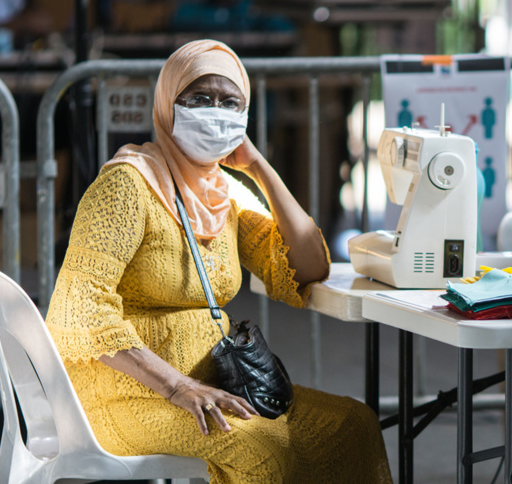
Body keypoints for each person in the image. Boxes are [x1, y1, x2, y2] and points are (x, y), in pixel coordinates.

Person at [45, 39, 393, 484]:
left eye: (231, 103)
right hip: (127, 394)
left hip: (215, 384)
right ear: (169, 104)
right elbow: (80, 309)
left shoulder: (225, 193)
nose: (215, 112)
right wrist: (177, 385)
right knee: (262, 448)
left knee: (352, 424)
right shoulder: (127, 186)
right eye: (199, 98)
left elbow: (309, 266)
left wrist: (259, 167)